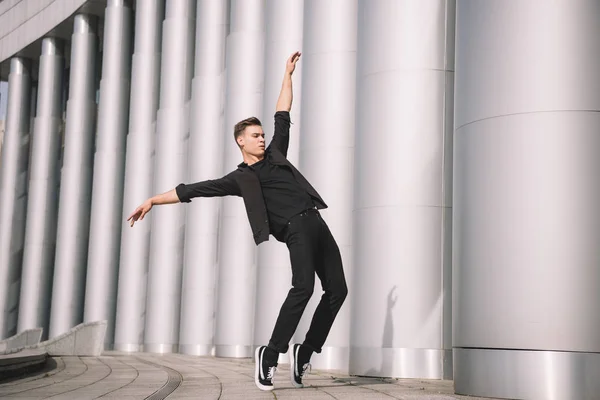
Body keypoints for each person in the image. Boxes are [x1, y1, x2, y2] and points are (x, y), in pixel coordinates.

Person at [128, 51, 348, 391]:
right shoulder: (240, 178)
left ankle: (306, 350)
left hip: (317, 222)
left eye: (262, 134)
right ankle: (271, 354)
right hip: (294, 229)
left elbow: (282, 113)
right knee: (303, 287)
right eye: (255, 135)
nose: (262, 138)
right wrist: (154, 200)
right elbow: (195, 189)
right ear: (240, 141)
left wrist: (287, 75)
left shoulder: (276, 154)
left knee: (337, 290)